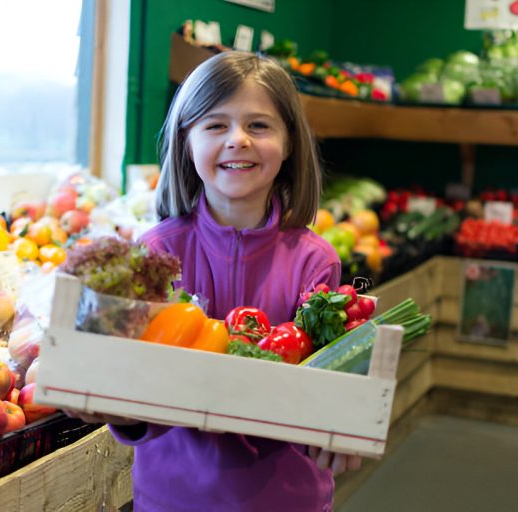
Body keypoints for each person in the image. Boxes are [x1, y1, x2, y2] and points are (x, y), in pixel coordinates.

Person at [71, 50, 361, 511]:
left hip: (284, 499)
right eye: (215, 125)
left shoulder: (314, 260)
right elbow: (143, 387)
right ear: (186, 142)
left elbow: (317, 390)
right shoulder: (158, 254)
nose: (238, 140)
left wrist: (335, 431)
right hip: (174, 497)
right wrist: (118, 412)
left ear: (289, 144)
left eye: (259, 126)